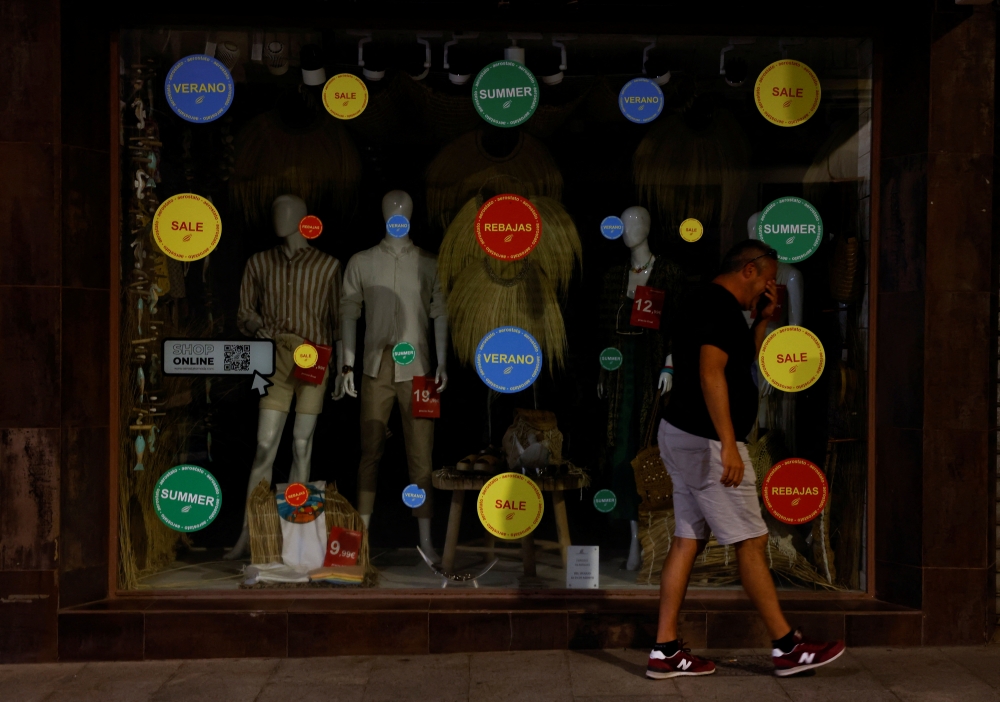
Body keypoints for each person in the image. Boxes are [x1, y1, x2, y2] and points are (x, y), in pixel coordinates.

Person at [646, 240, 845, 680]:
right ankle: (787, 647)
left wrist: (760, 323)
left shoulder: (708, 303)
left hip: (683, 435)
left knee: (686, 540)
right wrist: (729, 443)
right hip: (706, 442)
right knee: (752, 541)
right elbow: (709, 372)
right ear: (749, 269)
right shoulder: (716, 305)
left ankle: (664, 651)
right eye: (768, 278)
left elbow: (735, 366)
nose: (770, 287)